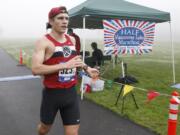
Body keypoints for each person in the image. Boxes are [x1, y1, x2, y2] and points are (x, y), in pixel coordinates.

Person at [31, 6, 98, 135]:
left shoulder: (71, 39)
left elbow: (75, 60)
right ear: (51, 21)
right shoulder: (43, 42)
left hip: (70, 93)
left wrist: (87, 68)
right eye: (60, 18)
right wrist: (64, 66)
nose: (65, 21)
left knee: (72, 133)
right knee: (44, 129)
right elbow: (35, 69)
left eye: (67, 18)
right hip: (52, 95)